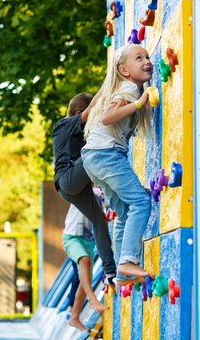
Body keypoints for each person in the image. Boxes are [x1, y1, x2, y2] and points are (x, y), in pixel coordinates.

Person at [82, 44, 154, 285]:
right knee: (141, 202)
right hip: (106, 156)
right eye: (139, 58)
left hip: (94, 158)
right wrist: (138, 103)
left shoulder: (128, 88)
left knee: (124, 212)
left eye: (147, 56)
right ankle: (127, 260)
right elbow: (107, 117)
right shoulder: (129, 90)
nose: (147, 61)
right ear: (124, 71)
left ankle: (123, 272)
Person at [52, 91, 117, 285]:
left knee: (99, 221)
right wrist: (108, 87)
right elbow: (90, 111)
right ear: (78, 112)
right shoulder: (63, 124)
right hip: (67, 178)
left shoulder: (82, 133)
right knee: (94, 150)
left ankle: (110, 272)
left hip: (74, 186)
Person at [62, 204, 107, 332]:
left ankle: (74, 317)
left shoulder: (104, 195)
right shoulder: (84, 188)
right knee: (84, 261)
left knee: (85, 279)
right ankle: (92, 299)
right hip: (71, 238)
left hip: (89, 241)